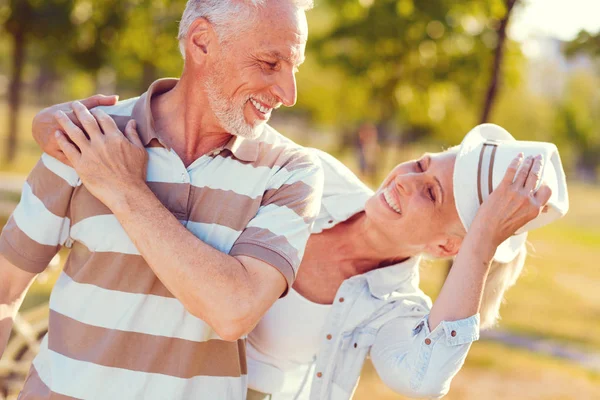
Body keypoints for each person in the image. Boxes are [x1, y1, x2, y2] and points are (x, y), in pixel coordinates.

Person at [30, 101, 568, 400]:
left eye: (431, 193)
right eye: (422, 164)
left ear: (447, 244)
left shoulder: (392, 308)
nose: (406, 179)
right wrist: (55, 122)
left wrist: (482, 247)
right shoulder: (315, 178)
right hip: (151, 375)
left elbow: (424, 379)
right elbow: (205, 136)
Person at [0, 1, 323, 399]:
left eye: (295, 67)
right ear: (202, 42)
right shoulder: (87, 137)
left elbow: (233, 310)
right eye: (270, 63)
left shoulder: (290, 172)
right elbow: (5, 282)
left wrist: (126, 190)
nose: (288, 93)